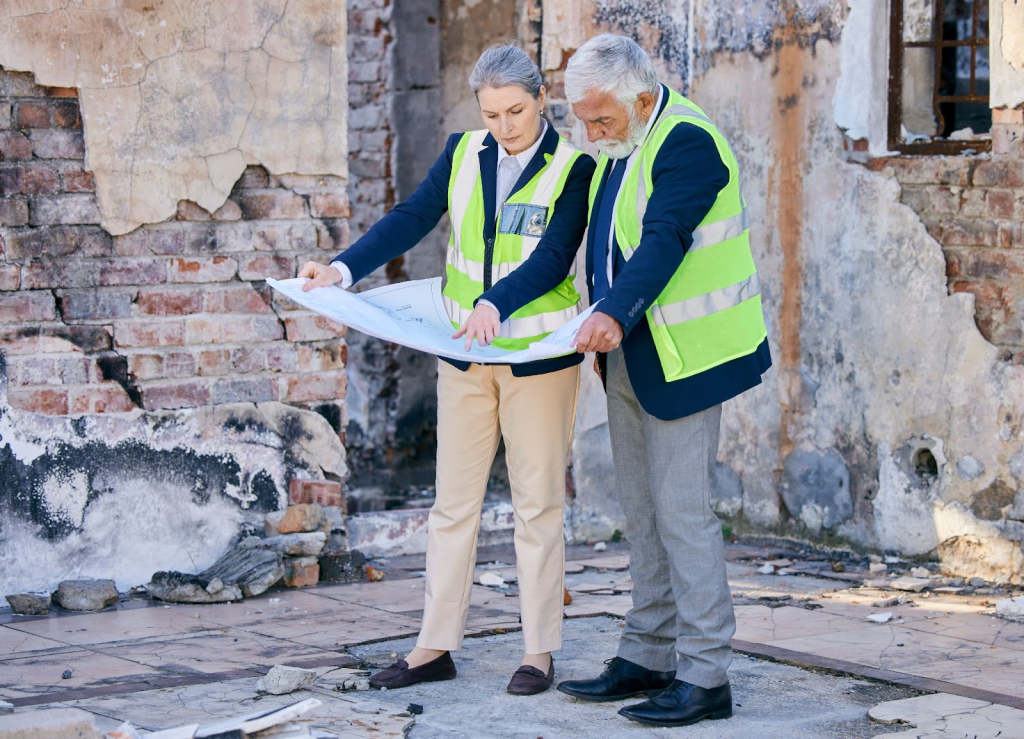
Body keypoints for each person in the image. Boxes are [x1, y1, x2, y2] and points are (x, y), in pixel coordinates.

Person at [469, 34, 772, 726]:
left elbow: (665, 237)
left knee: (683, 514)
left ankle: (704, 675)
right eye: (580, 118)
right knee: (641, 510)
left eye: (599, 119)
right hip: (635, 354)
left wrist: (611, 310)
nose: (588, 132)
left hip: (688, 356)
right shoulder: (617, 146)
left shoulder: (685, 141)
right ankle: (647, 653)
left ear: (640, 98)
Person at [297, 44, 595, 696]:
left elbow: (552, 257)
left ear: (540, 99)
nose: (505, 125)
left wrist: (498, 301)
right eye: (492, 113)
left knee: (536, 506)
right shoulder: (464, 154)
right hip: (464, 355)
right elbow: (411, 218)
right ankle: (434, 645)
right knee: (451, 507)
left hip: (539, 359)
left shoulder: (574, 167)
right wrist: (342, 270)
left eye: (516, 110)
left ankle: (539, 650)